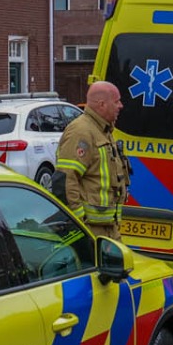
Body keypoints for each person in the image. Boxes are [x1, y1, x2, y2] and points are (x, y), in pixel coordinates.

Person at [56, 80, 129, 239]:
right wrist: (79, 223)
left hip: (108, 228)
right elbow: (66, 180)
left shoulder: (103, 130)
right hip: (90, 231)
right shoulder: (81, 132)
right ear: (102, 105)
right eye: (116, 101)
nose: (121, 106)